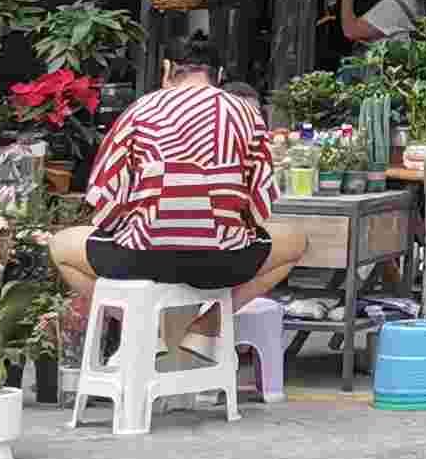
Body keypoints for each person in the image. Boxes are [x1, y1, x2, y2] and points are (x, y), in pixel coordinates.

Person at [46, 56, 306, 362]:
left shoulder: (139, 110)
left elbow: (107, 202)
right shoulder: (245, 114)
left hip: (142, 260)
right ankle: (208, 326)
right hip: (222, 263)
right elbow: (258, 203)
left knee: (60, 245)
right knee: (296, 240)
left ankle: (146, 327)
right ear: (220, 73)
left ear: (167, 69)